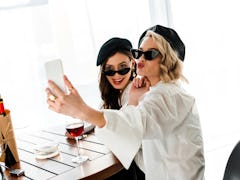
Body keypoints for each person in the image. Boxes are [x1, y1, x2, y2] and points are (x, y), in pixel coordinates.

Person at [46, 24, 205, 180]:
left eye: (149, 54)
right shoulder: (158, 92)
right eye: (139, 53)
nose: (140, 59)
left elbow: (133, 124)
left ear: (168, 60)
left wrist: (81, 110)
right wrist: (133, 100)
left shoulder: (170, 97)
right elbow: (133, 125)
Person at [64, 37, 145, 179]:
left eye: (122, 68)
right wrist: (85, 128)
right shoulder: (114, 94)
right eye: (110, 70)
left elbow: (122, 123)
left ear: (133, 64)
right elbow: (109, 120)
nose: (117, 75)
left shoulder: (138, 90)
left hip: (140, 168)